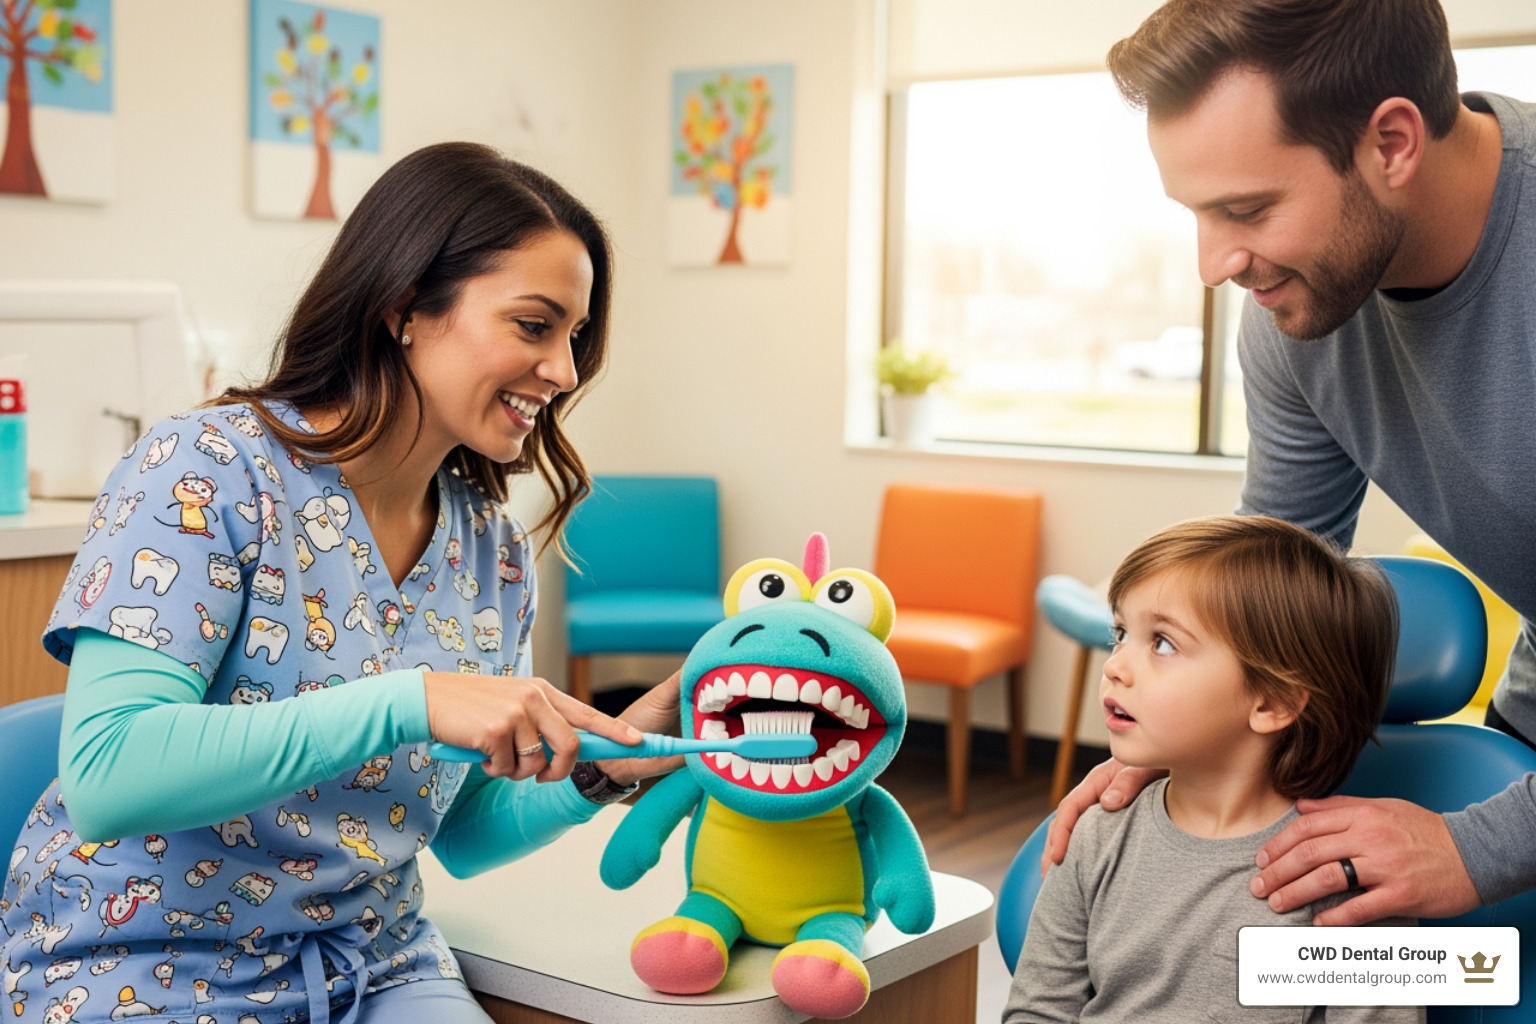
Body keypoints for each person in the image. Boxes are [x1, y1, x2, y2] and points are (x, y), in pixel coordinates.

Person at [0, 142, 681, 1024]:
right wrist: (410, 701)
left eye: (576, 337)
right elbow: (108, 774)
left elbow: (464, 832)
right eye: (534, 325)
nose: (566, 370)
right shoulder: (206, 471)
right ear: (404, 307)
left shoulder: (495, 555)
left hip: (375, 965)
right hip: (139, 964)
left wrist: (607, 760)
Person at [1045, 0, 1536, 929]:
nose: (1214, 262)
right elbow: (1269, 583)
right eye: (1195, 212)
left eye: (1247, 208)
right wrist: (1167, 738)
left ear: (1391, 142)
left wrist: (1480, 848)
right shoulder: (1295, 318)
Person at [1005, 516, 1418, 1023]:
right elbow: (1038, 1012)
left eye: (1162, 643)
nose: (1115, 665)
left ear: (1272, 703)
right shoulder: (1098, 836)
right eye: (1120, 633)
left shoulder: (1343, 879)